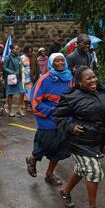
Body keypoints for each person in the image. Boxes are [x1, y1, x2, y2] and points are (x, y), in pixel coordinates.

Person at [54, 66, 105, 208]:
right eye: (89, 79)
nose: (93, 81)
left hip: (98, 140)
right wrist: (71, 127)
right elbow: (58, 117)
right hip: (79, 142)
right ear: (79, 83)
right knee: (94, 171)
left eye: (94, 77)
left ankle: (65, 192)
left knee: (81, 169)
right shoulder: (71, 97)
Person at [25, 53, 72, 185]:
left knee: (61, 146)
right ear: (51, 64)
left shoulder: (70, 78)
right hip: (47, 117)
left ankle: (49, 174)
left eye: (62, 60)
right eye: (57, 61)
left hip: (64, 117)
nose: (61, 63)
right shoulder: (44, 79)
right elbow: (35, 100)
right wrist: (51, 111)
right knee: (47, 143)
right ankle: (32, 158)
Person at [3, 45, 25, 117]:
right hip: (11, 78)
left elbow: (20, 67)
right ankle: (10, 111)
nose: (17, 50)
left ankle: (19, 109)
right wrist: (12, 72)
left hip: (18, 78)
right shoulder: (8, 57)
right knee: (10, 94)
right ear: (12, 49)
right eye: (16, 49)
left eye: (18, 49)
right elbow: (4, 67)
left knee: (22, 92)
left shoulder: (19, 58)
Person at [21, 44, 39, 112]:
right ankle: (26, 106)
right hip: (24, 77)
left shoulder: (33, 57)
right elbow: (20, 67)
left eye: (31, 51)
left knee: (32, 92)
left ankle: (31, 105)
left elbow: (37, 67)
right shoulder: (21, 58)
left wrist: (36, 75)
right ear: (25, 51)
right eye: (28, 52)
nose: (30, 53)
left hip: (32, 77)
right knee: (25, 93)